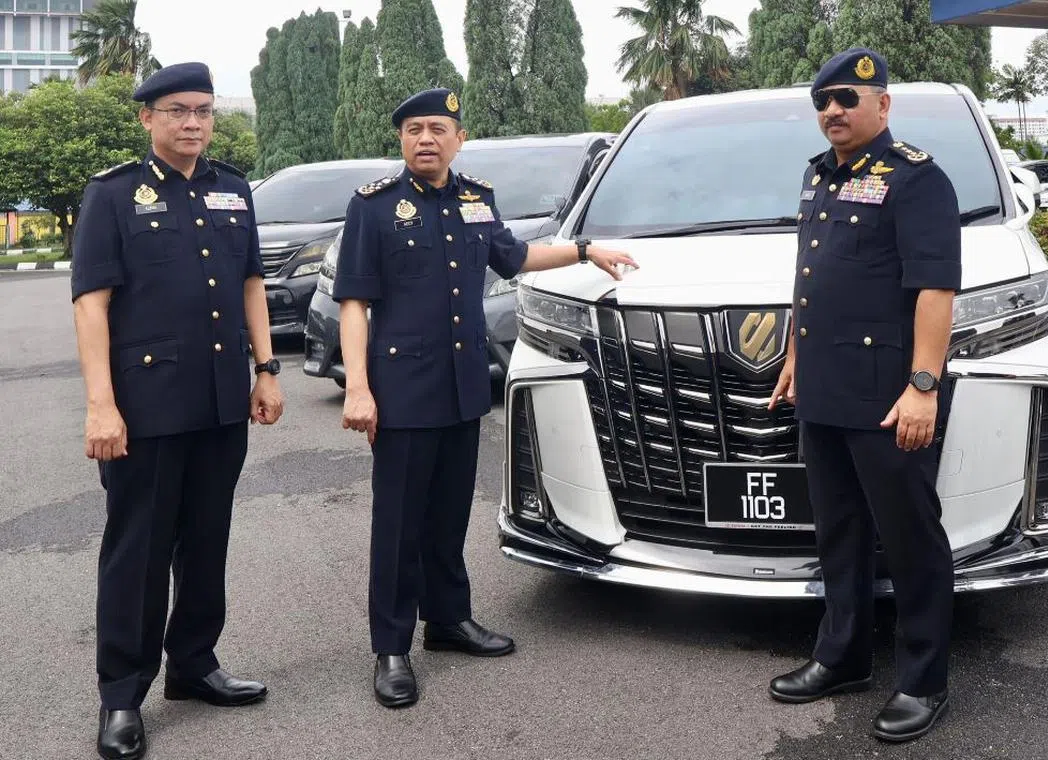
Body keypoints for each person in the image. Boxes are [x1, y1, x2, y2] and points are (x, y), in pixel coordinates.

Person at [334, 87, 636, 709]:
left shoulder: (476, 199)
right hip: (402, 391)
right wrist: (359, 388)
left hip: (462, 384)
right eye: (414, 129)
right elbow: (354, 303)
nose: (425, 139)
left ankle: (448, 620)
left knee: (448, 515)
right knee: (399, 525)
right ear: (401, 139)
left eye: (437, 128)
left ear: (458, 138)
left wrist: (585, 250)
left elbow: (515, 256)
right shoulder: (374, 207)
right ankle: (391, 648)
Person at [70, 62, 284, 760]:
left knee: (206, 539)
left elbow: (251, 282)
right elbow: (91, 305)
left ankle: (193, 664)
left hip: (221, 400)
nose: (193, 122)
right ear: (147, 118)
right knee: (139, 551)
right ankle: (121, 695)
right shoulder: (113, 195)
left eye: (203, 110)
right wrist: (101, 405)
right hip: (147, 406)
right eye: (177, 111)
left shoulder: (233, 189)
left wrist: (266, 370)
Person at [767, 48, 961, 742]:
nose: (833, 111)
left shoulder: (916, 178)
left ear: (883, 104)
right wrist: (795, 356)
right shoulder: (819, 175)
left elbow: (935, 289)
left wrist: (923, 386)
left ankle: (924, 679)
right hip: (823, 389)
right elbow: (811, 275)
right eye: (823, 101)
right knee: (839, 533)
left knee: (909, 538)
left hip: (887, 395)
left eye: (847, 98)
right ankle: (843, 656)